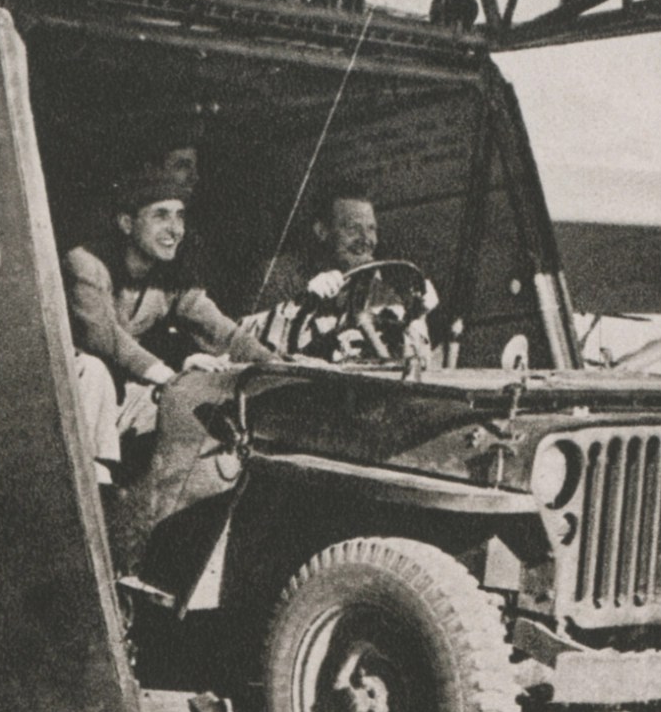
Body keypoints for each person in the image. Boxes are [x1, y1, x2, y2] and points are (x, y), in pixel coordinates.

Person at [67, 147, 274, 483]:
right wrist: (169, 376)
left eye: (179, 216)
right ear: (126, 223)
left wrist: (277, 365)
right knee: (95, 373)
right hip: (71, 399)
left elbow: (221, 331)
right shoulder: (85, 263)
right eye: (160, 215)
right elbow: (101, 336)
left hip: (121, 398)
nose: (175, 229)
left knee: (187, 417)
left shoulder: (171, 276)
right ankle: (94, 493)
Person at [251, 181, 438, 354]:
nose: (366, 239)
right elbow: (243, 339)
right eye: (353, 228)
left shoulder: (379, 287)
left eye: (371, 228)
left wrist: (416, 317)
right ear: (322, 231)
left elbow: (411, 362)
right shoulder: (280, 274)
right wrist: (300, 302)